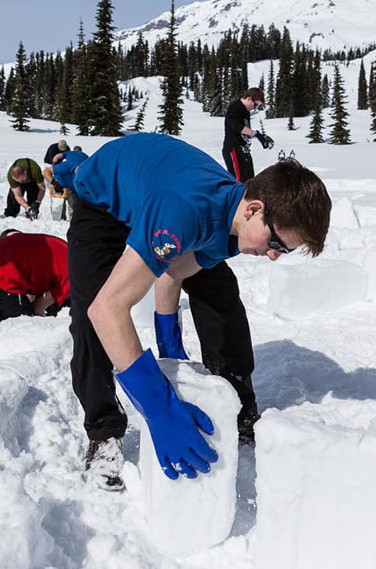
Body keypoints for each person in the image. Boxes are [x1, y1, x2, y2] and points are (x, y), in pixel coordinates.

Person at [68, 133, 331, 490]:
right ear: (254, 209)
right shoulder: (184, 212)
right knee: (90, 314)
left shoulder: (233, 225)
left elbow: (173, 269)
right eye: (275, 244)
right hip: (102, 203)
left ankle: (236, 403)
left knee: (220, 290)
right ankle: (103, 433)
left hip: (159, 196)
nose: (272, 256)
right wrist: (158, 407)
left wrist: (169, 347)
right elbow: (108, 309)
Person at [0, 230, 70, 324]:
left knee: (2, 327)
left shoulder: (67, 250)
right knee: (25, 325)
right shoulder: (72, 275)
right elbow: (37, 308)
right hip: (0, 272)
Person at [223, 87, 274, 182]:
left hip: (244, 150)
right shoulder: (236, 107)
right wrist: (256, 134)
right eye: (255, 105)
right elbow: (237, 127)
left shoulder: (245, 111)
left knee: (250, 182)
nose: (255, 109)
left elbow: (244, 132)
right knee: (239, 182)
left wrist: (261, 137)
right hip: (233, 149)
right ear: (249, 99)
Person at [43, 149, 89, 218]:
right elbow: (45, 172)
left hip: (74, 186)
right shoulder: (65, 167)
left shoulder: (89, 165)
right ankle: (60, 218)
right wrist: (54, 183)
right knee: (58, 208)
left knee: (74, 205)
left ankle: (74, 218)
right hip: (61, 182)